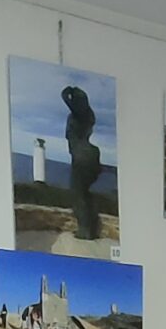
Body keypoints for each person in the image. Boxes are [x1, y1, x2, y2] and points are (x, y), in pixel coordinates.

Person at [61, 84, 104, 241]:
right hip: (88, 155)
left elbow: (67, 98)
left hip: (82, 156)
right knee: (84, 193)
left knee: (78, 194)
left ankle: (85, 230)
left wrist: (68, 93)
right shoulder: (88, 116)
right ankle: (91, 228)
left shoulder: (81, 114)